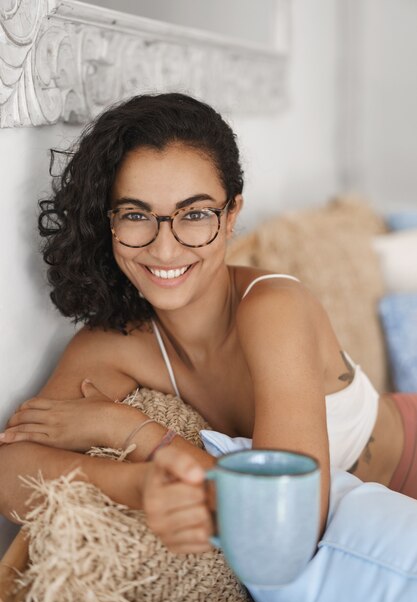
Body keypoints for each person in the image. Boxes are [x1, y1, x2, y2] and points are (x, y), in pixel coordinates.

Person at [0, 93, 414, 557]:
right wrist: (136, 484)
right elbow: (11, 468)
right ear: (108, 222)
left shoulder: (273, 308)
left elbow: (288, 524)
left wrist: (131, 432)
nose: (165, 248)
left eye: (194, 214)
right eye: (136, 215)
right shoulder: (109, 345)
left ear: (231, 215)